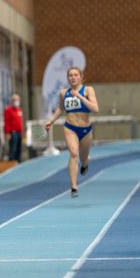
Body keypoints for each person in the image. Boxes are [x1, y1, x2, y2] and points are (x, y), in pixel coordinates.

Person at [45, 67, 99, 198]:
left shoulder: (88, 90)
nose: (73, 77)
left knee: (83, 157)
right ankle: (74, 187)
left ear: (81, 77)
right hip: (70, 127)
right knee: (74, 153)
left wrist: (80, 96)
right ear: (68, 78)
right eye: (70, 75)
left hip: (85, 129)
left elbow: (95, 109)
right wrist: (51, 121)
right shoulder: (63, 93)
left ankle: (85, 163)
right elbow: (61, 109)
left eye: (76, 75)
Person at [4, 94, 23, 162]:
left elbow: (20, 121)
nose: (16, 101)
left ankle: (18, 161)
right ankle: (11, 161)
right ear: (12, 101)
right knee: (13, 148)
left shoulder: (19, 110)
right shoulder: (8, 110)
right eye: (15, 100)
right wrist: (7, 133)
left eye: (18, 100)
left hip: (19, 132)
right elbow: (7, 122)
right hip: (13, 132)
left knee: (19, 148)